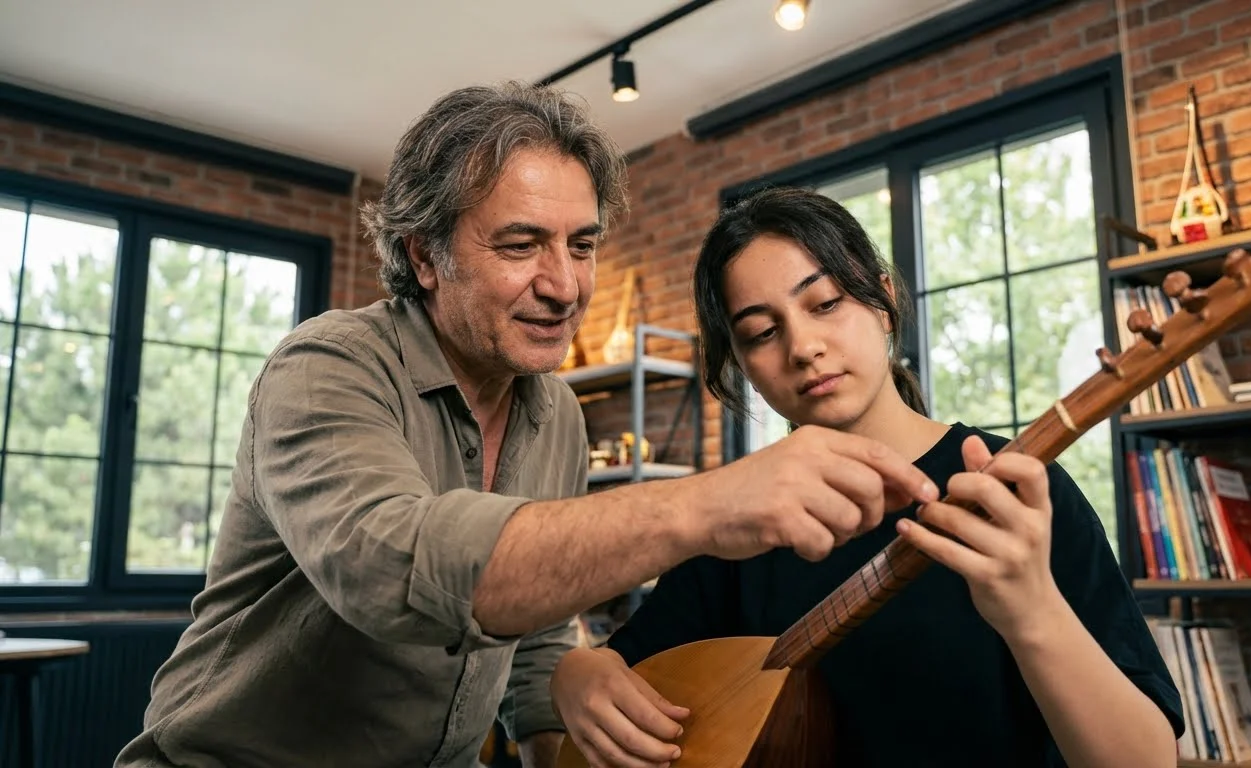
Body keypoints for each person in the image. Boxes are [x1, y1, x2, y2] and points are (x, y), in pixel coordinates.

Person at [114, 84, 943, 768]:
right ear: (425, 256)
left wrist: (561, 715)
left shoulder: (556, 418)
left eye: (581, 245)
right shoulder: (326, 366)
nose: (564, 285)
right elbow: (393, 567)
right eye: (521, 245)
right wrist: (706, 504)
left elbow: (534, 642)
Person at [548, 186, 1186, 768]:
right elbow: (626, 668)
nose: (803, 347)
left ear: (883, 302)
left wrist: (1032, 609)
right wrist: (576, 674)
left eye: (826, 303)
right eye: (762, 333)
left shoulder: (1016, 494)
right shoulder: (739, 520)